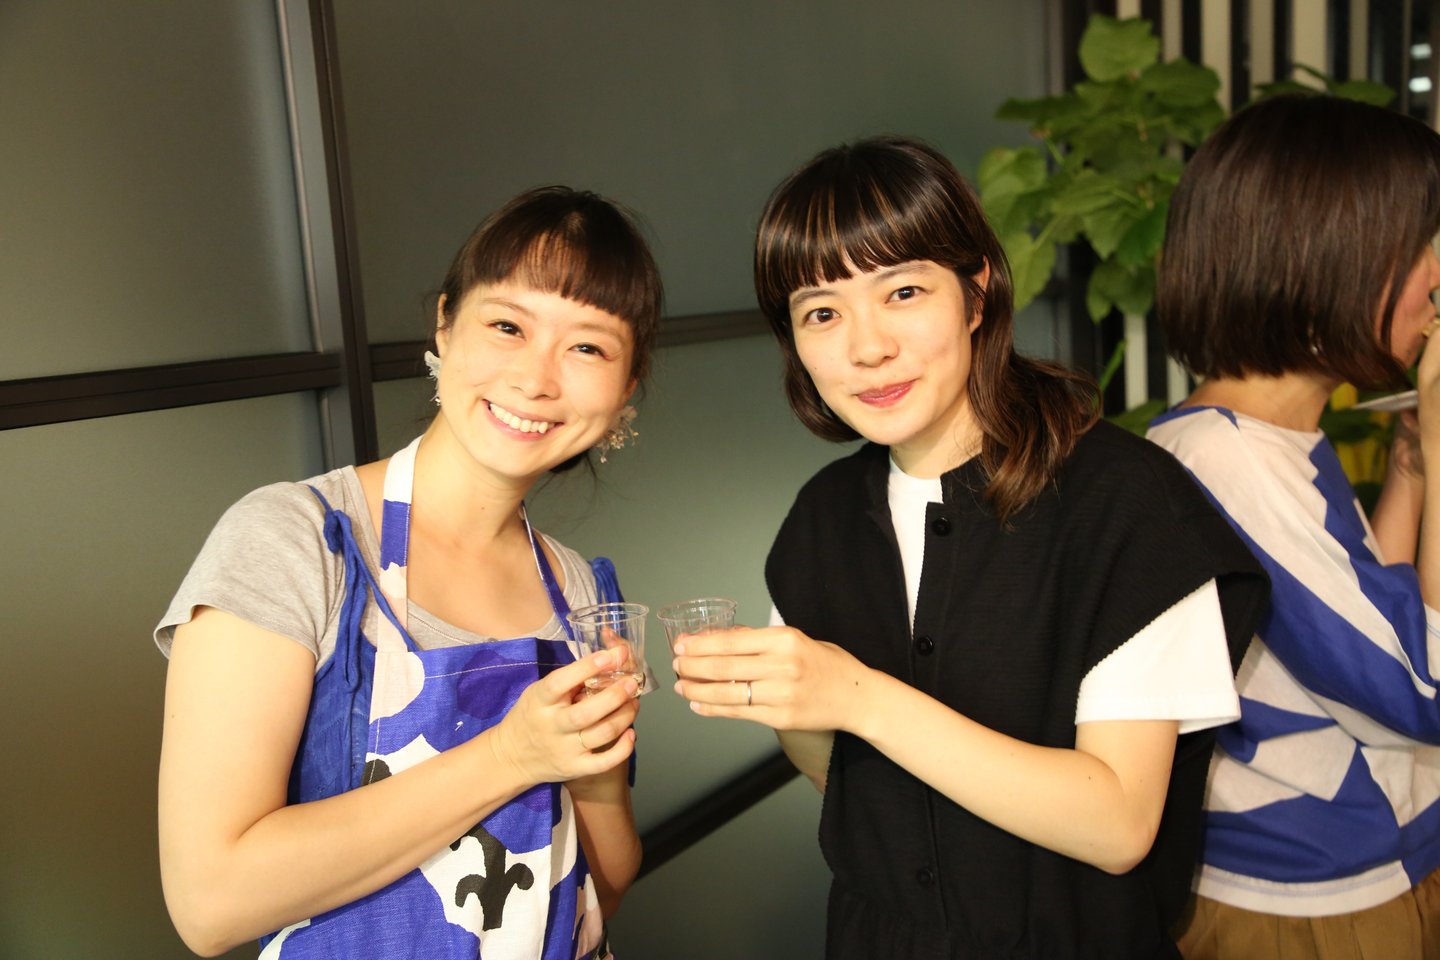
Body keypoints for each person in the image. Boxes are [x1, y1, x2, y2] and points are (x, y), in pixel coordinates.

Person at [672, 136, 1270, 959]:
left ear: (976, 292)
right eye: (822, 313)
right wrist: (777, 693)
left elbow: (1118, 825)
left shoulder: (1125, 501)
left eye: (903, 291)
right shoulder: (822, 517)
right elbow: (832, 773)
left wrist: (857, 697)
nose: (866, 347)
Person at [155, 186, 658, 959]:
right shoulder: (296, 542)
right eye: (507, 326)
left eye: (587, 347)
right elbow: (209, 904)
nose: (536, 379)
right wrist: (513, 756)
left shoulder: (577, 589)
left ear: (627, 387)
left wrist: (591, 762)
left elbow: (604, 885)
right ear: (445, 327)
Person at [1148, 94, 1440, 960]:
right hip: (1309, 898)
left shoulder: (1268, 438)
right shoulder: (1224, 465)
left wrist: (1412, 468)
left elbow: (1376, 612)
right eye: (1418, 246)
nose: (1435, 278)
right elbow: (1425, 691)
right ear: (1330, 259)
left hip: (1370, 860)